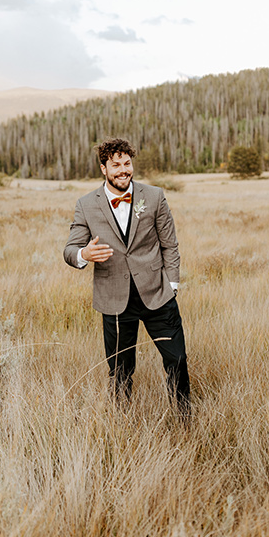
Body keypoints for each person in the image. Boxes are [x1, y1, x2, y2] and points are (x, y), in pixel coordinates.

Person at [63, 137, 190, 414]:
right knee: (120, 371)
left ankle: (184, 420)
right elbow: (70, 249)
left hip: (157, 294)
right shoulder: (86, 205)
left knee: (177, 360)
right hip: (114, 300)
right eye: (116, 164)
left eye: (127, 163)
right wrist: (84, 255)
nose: (123, 170)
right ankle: (122, 424)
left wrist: (172, 284)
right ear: (103, 169)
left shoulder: (154, 196)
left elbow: (170, 244)